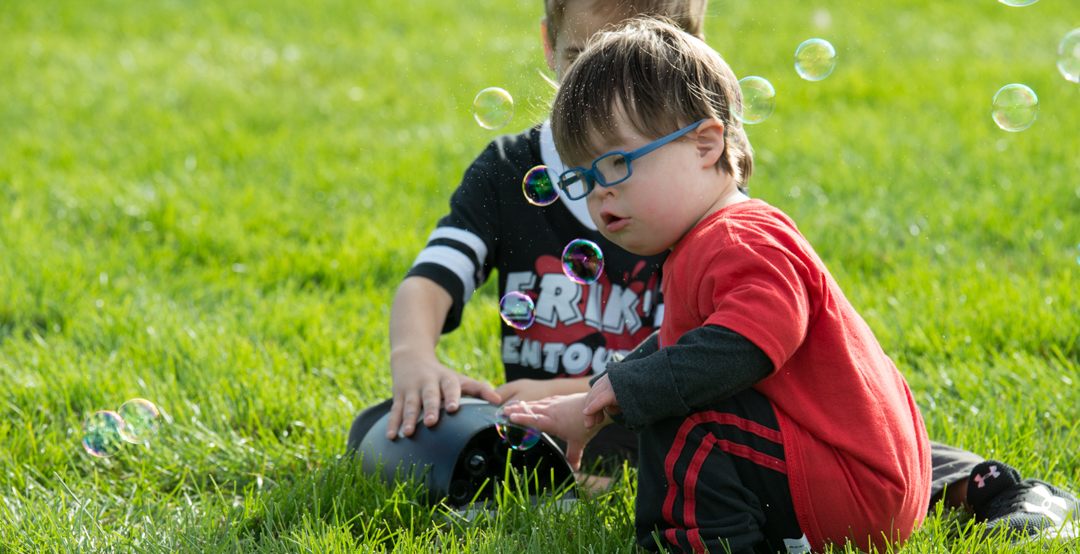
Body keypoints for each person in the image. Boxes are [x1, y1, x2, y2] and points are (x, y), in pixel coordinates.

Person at [501, 16, 1080, 553]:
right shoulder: (703, 243)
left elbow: (743, 346)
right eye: (583, 178)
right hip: (855, 482)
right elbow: (679, 350)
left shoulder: (741, 237)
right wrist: (595, 401)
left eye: (617, 165)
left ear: (705, 144)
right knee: (669, 386)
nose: (600, 192)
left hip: (855, 490)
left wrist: (633, 391)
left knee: (678, 411)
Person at [377, 0, 709, 472]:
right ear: (550, 47)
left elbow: (709, 349)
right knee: (394, 441)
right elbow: (433, 277)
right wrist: (413, 358)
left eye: (632, 71)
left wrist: (571, 393)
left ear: (685, 60)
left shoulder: (692, 186)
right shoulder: (509, 170)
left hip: (658, 429)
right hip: (536, 435)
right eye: (581, 60)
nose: (601, 94)